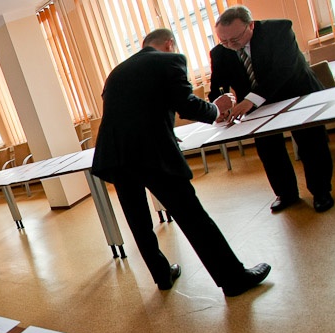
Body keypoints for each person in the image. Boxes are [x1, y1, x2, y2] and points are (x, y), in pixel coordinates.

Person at [91, 28, 271, 297]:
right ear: (169, 44)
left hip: (114, 156)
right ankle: (233, 279)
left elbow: (133, 112)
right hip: (152, 154)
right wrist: (217, 108)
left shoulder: (117, 72)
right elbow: (185, 105)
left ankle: (162, 275)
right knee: (192, 216)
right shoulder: (170, 60)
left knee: (139, 222)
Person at [208, 6, 335, 213]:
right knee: (268, 149)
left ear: (251, 25)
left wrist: (250, 100)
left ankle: (321, 192)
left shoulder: (279, 30)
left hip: (296, 93)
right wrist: (218, 107)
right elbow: (217, 88)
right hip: (257, 106)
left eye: (235, 39)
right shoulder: (220, 52)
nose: (230, 45)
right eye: (224, 41)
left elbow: (284, 69)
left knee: (311, 144)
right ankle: (286, 194)